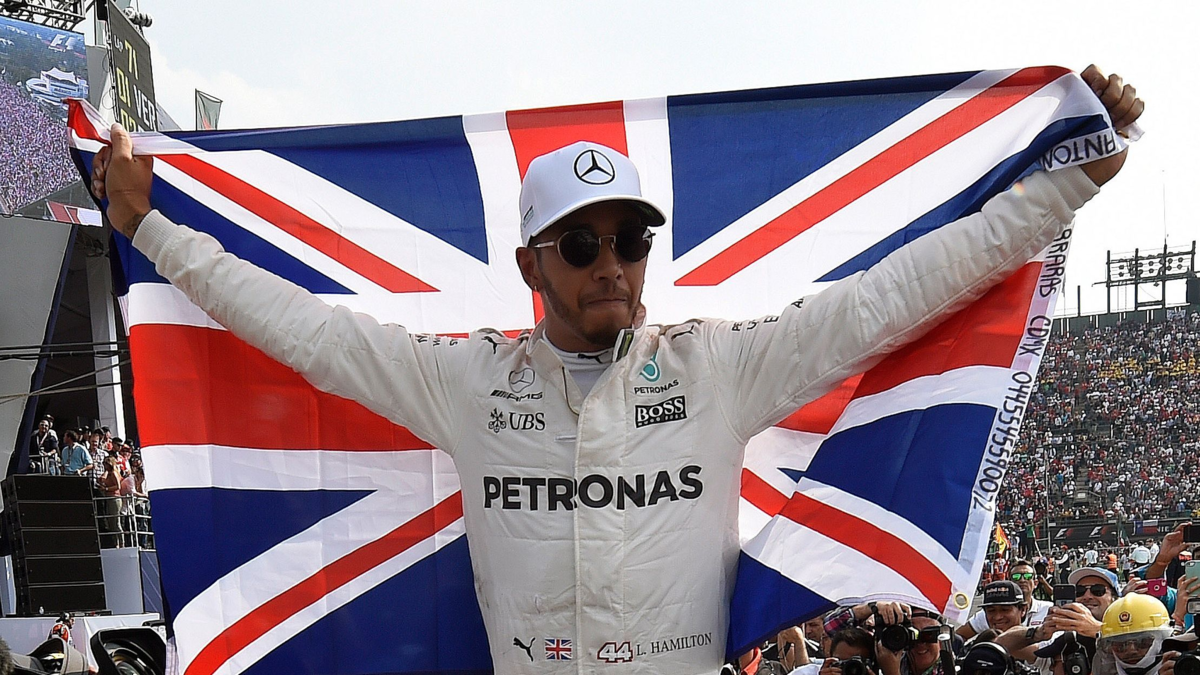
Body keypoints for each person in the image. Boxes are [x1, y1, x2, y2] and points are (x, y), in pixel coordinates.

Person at [89, 66, 1143, 673]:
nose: (612, 265)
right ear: (531, 265)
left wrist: (1066, 182)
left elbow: (893, 295)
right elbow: (303, 332)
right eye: (582, 244)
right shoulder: (468, 385)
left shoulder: (720, 369)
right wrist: (152, 231)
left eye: (631, 241)